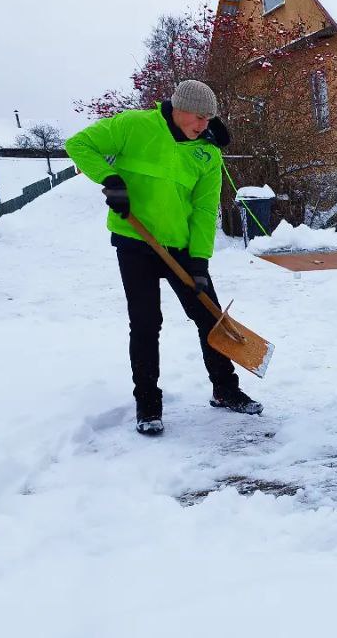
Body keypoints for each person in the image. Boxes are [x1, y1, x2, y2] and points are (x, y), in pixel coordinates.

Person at [65, 79, 261, 436]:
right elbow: (79, 144)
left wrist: (199, 262)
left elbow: (203, 211)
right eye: (199, 117)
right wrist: (110, 179)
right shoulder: (134, 126)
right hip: (134, 240)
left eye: (208, 119)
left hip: (182, 247)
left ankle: (225, 390)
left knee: (209, 318)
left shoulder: (207, 153)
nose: (203, 125)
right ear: (178, 107)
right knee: (145, 322)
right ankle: (148, 404)